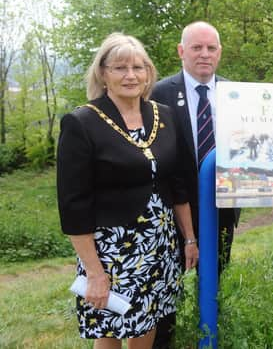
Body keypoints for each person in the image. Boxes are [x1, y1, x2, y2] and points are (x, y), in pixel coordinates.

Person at [57, 33, 199, 349]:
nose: (131, 75)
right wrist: (94, 272)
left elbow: (176, 183)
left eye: (138, 67)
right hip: (112, 252)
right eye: (120, 67)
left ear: (148, 73)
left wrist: (188, 238)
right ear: (103, 73)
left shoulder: (164, 115)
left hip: (159, 244)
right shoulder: (82, 122)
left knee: (147, 321)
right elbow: (73, 204)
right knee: (110, 329)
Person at [151, 21, 240, 348]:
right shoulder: (158, 93)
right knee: (167, 281)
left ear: (219, 52)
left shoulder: (235, 94)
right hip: (172, 206)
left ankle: (211, 333)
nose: (204, 54)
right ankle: (164, 339)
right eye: (196, 48)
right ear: (181, 52)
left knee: (215, 276)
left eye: (211, 48)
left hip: (222, 207)